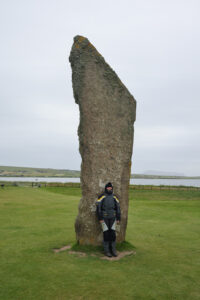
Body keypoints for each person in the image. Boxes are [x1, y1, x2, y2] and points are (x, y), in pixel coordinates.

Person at [96, 182, 121, 257]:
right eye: (108, 188)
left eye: (111, 188)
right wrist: (100, 218)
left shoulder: (114, 197)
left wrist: (118, 217)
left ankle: (113, 250)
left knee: (113, 234)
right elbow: (98, 208)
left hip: (113, 218)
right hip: (104, 218)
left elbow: (118, 208)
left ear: (112, 189)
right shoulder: (101, 196)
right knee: (106, 234)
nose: (109, 189)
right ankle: (107, 251)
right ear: (106, 188)